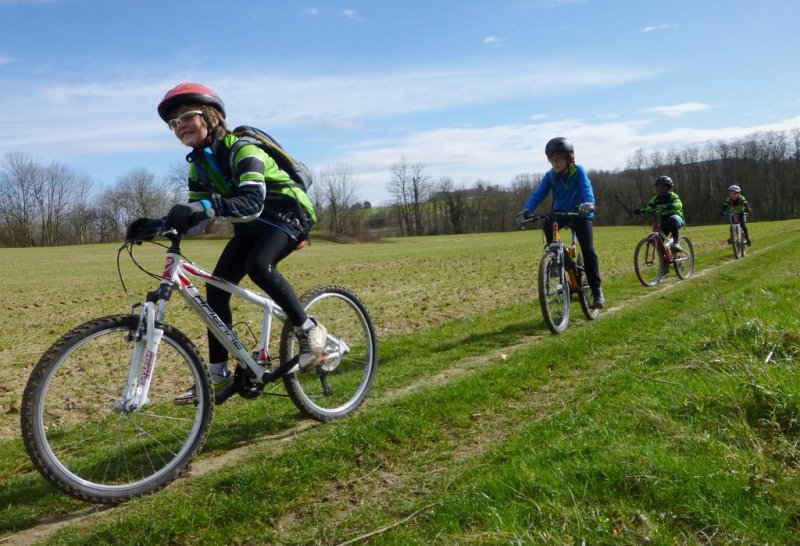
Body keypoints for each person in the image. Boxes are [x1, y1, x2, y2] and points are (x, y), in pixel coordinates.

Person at [126, 82, 326, 404]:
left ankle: (308, 329)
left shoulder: (243, 149)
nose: (179, 128)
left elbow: (251, 202)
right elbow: (195, 215)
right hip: (251, 227)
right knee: (216, 289)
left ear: (211, 116)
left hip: (289, 214)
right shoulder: (198, 165)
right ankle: (218, 376)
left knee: (259, 265)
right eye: (172, 124)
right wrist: (158, 226)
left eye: (185, 118)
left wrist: (206, 208)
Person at [517, 137, 605, 309]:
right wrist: (528, 209)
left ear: (569, 158)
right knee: (547, 224)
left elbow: (587, 187)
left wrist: (589, 203)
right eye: (551, 159)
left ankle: (596, 290)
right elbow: (539, 193)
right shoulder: (550, 176)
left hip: (580, 212)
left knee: (588, 250)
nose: (554, 162)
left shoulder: (578, 171)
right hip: (561, 213)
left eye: (558, 158)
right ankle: (559, 260)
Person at [635, 175, 686, 253]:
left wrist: (670, 206)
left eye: (663, 187)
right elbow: (650, 208)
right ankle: (664, 261)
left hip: (676, 220)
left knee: (672, 219)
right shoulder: (655, 198)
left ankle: (676, 243)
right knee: (658, 242)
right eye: (659, 187)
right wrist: (642, 210)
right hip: (664, 222)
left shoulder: (672, 196)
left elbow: (679, 204)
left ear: (668, 187)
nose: (660, 189)